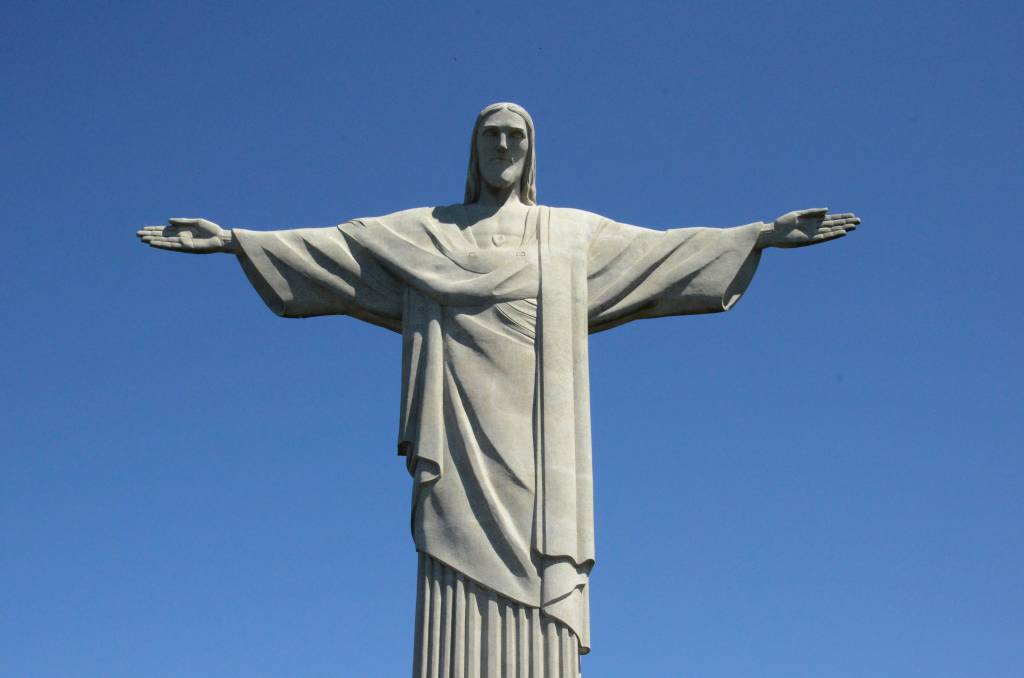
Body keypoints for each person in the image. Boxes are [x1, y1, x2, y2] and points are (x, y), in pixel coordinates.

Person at [137, 102, 859, 678]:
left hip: (541, 447)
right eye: (492, 135)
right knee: (452, 569)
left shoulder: (568, 235)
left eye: (517, 136)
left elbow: (661, 251)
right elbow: (337, 248)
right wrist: (234, 240)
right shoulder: (427, 233)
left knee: (540, 575)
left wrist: (758, 236)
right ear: (474, 151)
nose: (505, 146)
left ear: (531, 151)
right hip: (455, 438)